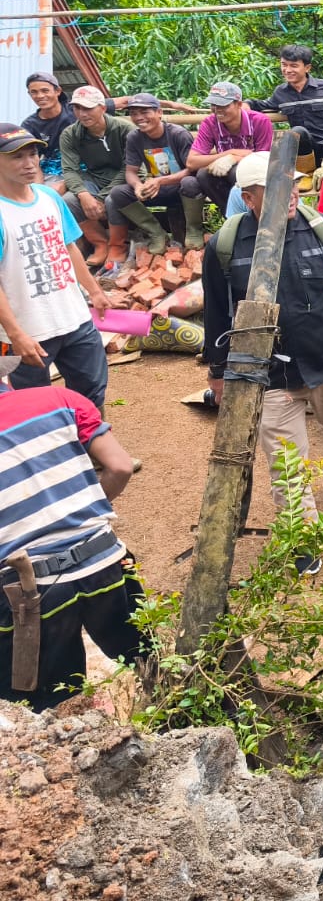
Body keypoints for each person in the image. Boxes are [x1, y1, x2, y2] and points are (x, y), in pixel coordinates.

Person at [202, 152, 323, 573]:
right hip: (267, 374)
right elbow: (215, 314)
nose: (293, 192)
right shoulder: (225, 246)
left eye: (295, 183)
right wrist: (218, 372)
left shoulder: (322, 229)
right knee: (285, 462)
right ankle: (302, 533)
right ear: (249, 198)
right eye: (278, 187)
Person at [0, 361, 142, 710]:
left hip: (30, 588)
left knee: (45, 706)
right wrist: (83, 506)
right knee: (148, 662)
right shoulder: (61, 398)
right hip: (106, 558)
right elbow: (121, 466)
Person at [0, 124, 111, 409]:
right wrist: (16, 335)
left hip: (74, 318)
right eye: (16, 157)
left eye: (33, 153)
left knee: (91, 392)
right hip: (28, 330)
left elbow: (69, 247)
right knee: (32, 405)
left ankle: (92, 451)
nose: (29, 163)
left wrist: (94, 291)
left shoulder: (48, 197)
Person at [105, 93, 196, 268]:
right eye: (134, 113)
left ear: (159, 112)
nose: (139, 118)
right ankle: (156, 233)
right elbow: (130, 171)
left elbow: (191, 170)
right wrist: (138, 185)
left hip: (181, 190)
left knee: (191, 183)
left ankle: (194, 231)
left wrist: (161, 181)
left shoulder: (178, 134)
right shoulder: (134, 137)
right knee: (118, 193)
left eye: (144, 112)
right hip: (156, 189)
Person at [59, 87, 135, 270]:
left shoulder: (124, 129)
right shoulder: (70, 134)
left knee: (112, 198)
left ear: (102, 108)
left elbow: (131, 168)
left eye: (87, 108)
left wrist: (99, 199)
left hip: (126, 178)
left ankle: (117, 246)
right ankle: (100, 243)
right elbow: (69, 170)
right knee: (69, 200)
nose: (82, 114)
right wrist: (84, 194)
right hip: (95, 178)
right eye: (77, 109)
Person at [257, 44, 323, 170]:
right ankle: (306, 173)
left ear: (307, 67)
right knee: (298, 131)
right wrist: (246, 104)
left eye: (293, 66)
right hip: (305, 152)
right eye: (284, 64)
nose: (287, 70)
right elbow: (264, 105)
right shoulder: (281, 93)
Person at [184, 81, 274, 212]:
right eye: (213, 105)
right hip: (221, 176)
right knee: (203, 174)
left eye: (223, 105)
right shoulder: (210, 123)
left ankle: (254, 214)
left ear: (238, 104)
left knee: (236, 171)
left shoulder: (259, 121)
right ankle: (232, 217)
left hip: (257, 177)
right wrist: (228, 154)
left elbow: (264, 159)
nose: (217, 110)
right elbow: (191, 162)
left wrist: (234, 158)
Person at [23, 73, 74, 195]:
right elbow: (32, 160)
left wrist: (67, 182)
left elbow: (117, 103)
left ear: (58, 91)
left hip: (82, 169)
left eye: (45, 90)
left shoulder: (76, 110)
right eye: (34, 92)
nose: (40, 96)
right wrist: (38, 191)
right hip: (51, 172)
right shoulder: (29, 125)